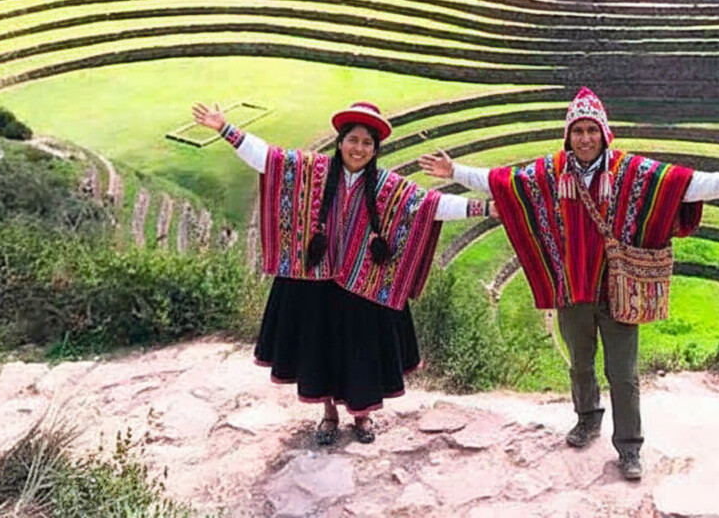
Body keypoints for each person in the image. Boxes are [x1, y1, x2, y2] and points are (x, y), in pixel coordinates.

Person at [419, 87, 719, 480]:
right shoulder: (550, 174)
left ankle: (630, 447)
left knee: (623, 373)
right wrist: (455, 173)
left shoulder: (630, 171)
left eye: (592, 130)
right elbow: (502, 181)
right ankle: (587, 418)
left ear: (605, 133)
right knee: (580, 365)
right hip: (572, 288)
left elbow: (681, 184)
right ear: (567, 135)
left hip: (619, 288)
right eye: (578, 130)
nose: (585, 138)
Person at [192, 100, 494, 445]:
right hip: (316, 284)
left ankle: (362, 417)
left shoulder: (388, 188)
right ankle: (328, 415)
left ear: (375, 149)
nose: (359, 148)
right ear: (340, 142)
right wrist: (224, 128)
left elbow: (432, 206)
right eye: (353, 140)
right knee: (320, 350)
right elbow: (268, 159)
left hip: (363, 287)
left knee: (360, 353)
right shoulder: (312, 171)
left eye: (367, 143)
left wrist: (483, 208)